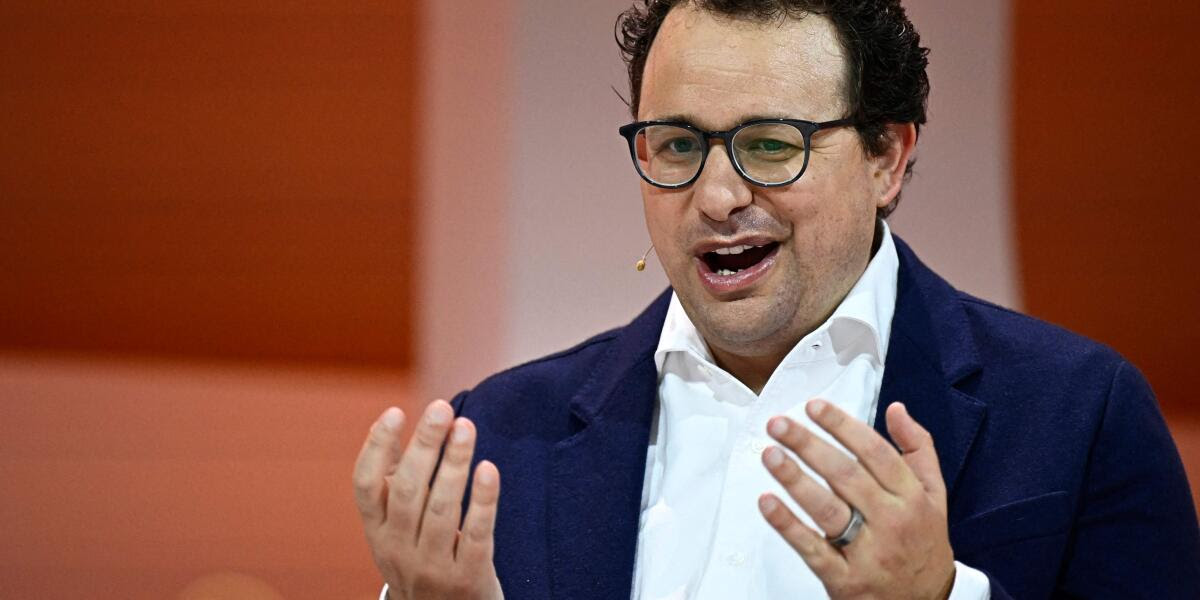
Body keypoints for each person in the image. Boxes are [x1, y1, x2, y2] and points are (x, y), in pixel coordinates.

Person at [352, 1, 1200, 598]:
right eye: (678, 143)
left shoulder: (1079, 413)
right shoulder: (500, 436)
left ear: (888, 158)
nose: (717, 195)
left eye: (769, 144)